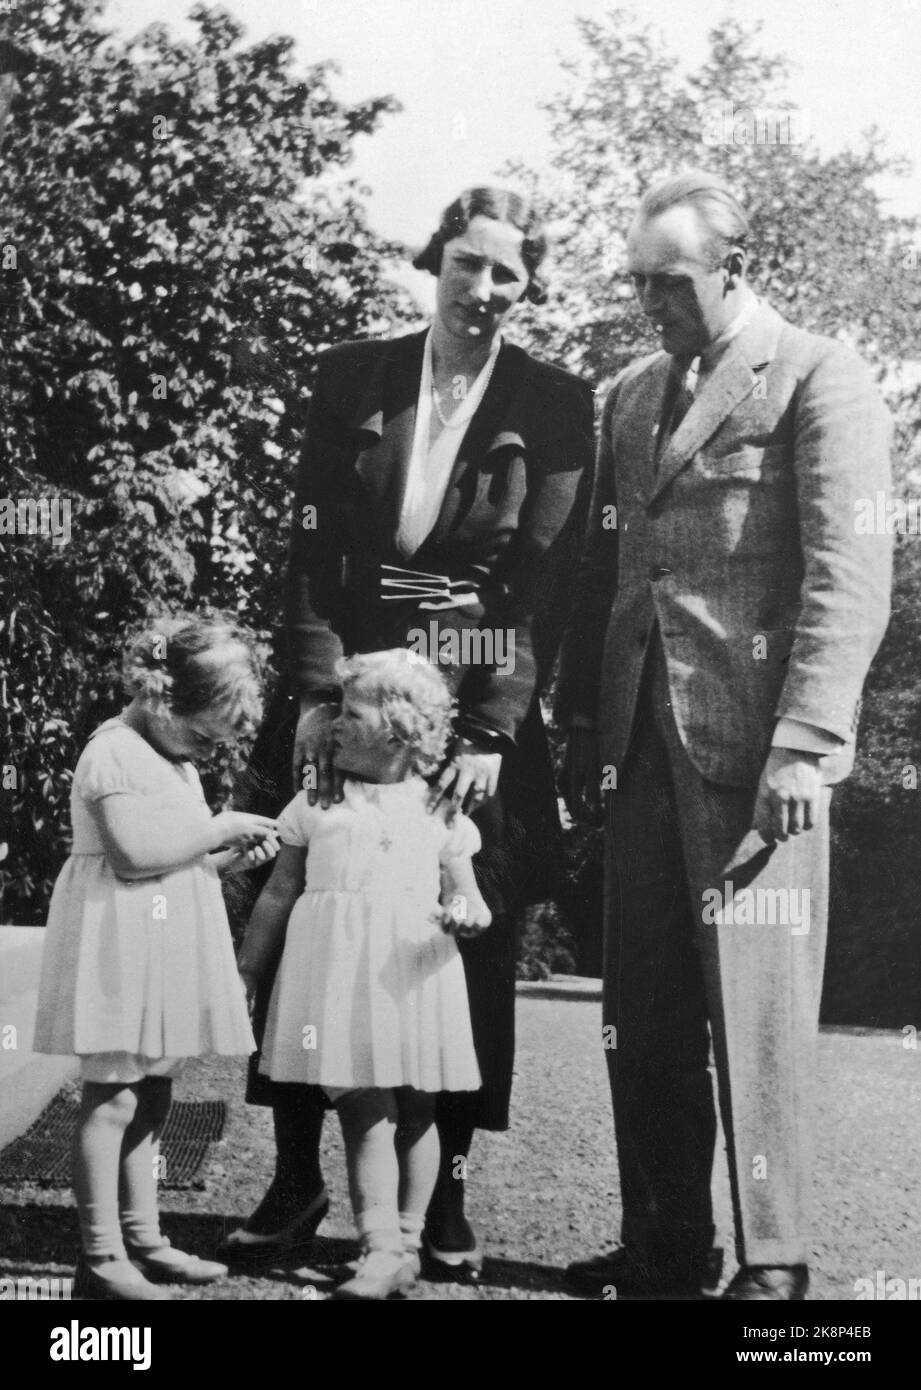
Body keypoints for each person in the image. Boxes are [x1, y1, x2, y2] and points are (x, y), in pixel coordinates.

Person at [221, 186, 595, 1278]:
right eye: (467, 266)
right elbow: (308, 546)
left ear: (530, 288)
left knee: (453, 930)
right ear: (437, 262)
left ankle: (446, 1198)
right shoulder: (352, 377)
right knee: (308, 911)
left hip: (472, 691)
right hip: (349, 672)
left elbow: (546, 581)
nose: (483, 291)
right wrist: (316, 698)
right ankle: (295, 1181)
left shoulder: (558, 401)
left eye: (508, 275)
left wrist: (489, 727)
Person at [558, 171, 892, 1301]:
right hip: (638, 744)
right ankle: (661, 1246)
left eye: (672, 280)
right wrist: (580, 729)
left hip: (757, 754)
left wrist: (807, 739)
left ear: (735, 268)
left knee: (755, 1010)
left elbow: (853, 573)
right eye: (638, 279)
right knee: (640, 1016)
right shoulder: (632, 392)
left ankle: (775, 1256)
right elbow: (613, 570)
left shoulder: (817, 373)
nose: (650, 300)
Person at [32, 614, 281, 1301]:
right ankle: (101, 1255)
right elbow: (133, 855)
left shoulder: (172, 759)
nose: (204, 751)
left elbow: (177, 857)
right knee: (111, 1095)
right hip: (119, 938)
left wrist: (228, 857)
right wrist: (217, 826)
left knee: (152, 1093)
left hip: (161, 938)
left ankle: (143, 1238)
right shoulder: (110, 752)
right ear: (161, 695)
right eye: (201, 734)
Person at [238, 650, 490, 1300]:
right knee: (360, 1103)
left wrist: (463, 914)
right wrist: (246, 971)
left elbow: (469, 896)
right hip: (337, 979)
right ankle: (380, 1245)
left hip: (411, 974)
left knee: (417, 1110)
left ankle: (405, 1243)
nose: (334, 726)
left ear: (398, 729)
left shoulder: (439, 811)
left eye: (349, 713)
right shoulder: (316, 801)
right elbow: (276, 893)